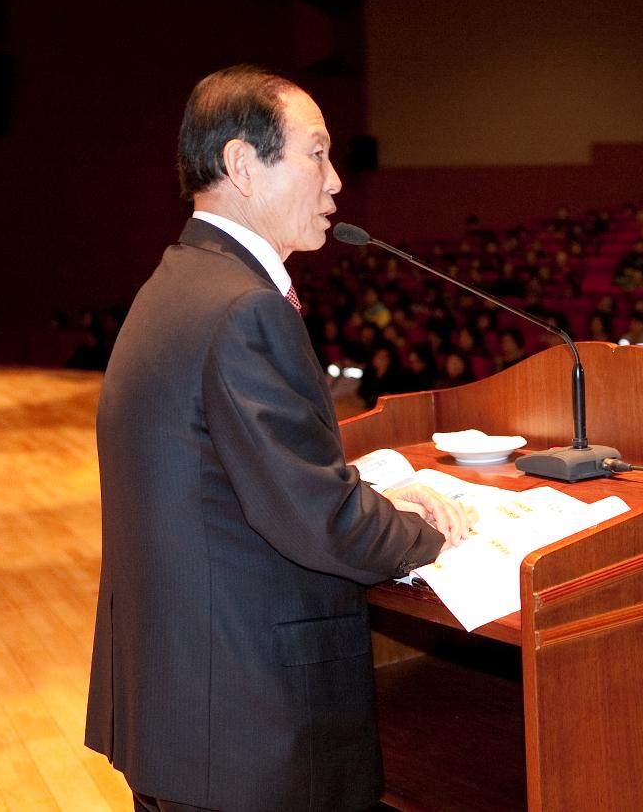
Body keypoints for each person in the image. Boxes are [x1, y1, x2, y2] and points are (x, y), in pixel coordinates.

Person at [86, 65, 476, 812]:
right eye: (317, 154)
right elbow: (316, 519)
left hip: (181, 717)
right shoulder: (243, 310)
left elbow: (232, 482)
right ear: (240, 164)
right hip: (250, 731)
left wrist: (367, 494)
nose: (335, 181)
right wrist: (428, 532)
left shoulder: (175, 282)